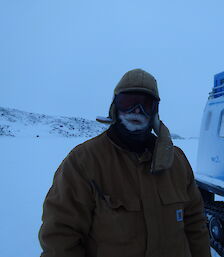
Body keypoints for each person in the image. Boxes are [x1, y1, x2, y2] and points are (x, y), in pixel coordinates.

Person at [39, 69, 211, 257]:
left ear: (155, 111)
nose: (137, 110)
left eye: (146, 103)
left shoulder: (176, 161)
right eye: (128, 102)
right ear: (114, 106)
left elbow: (195, 224)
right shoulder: (84, 162)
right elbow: (60, 236)